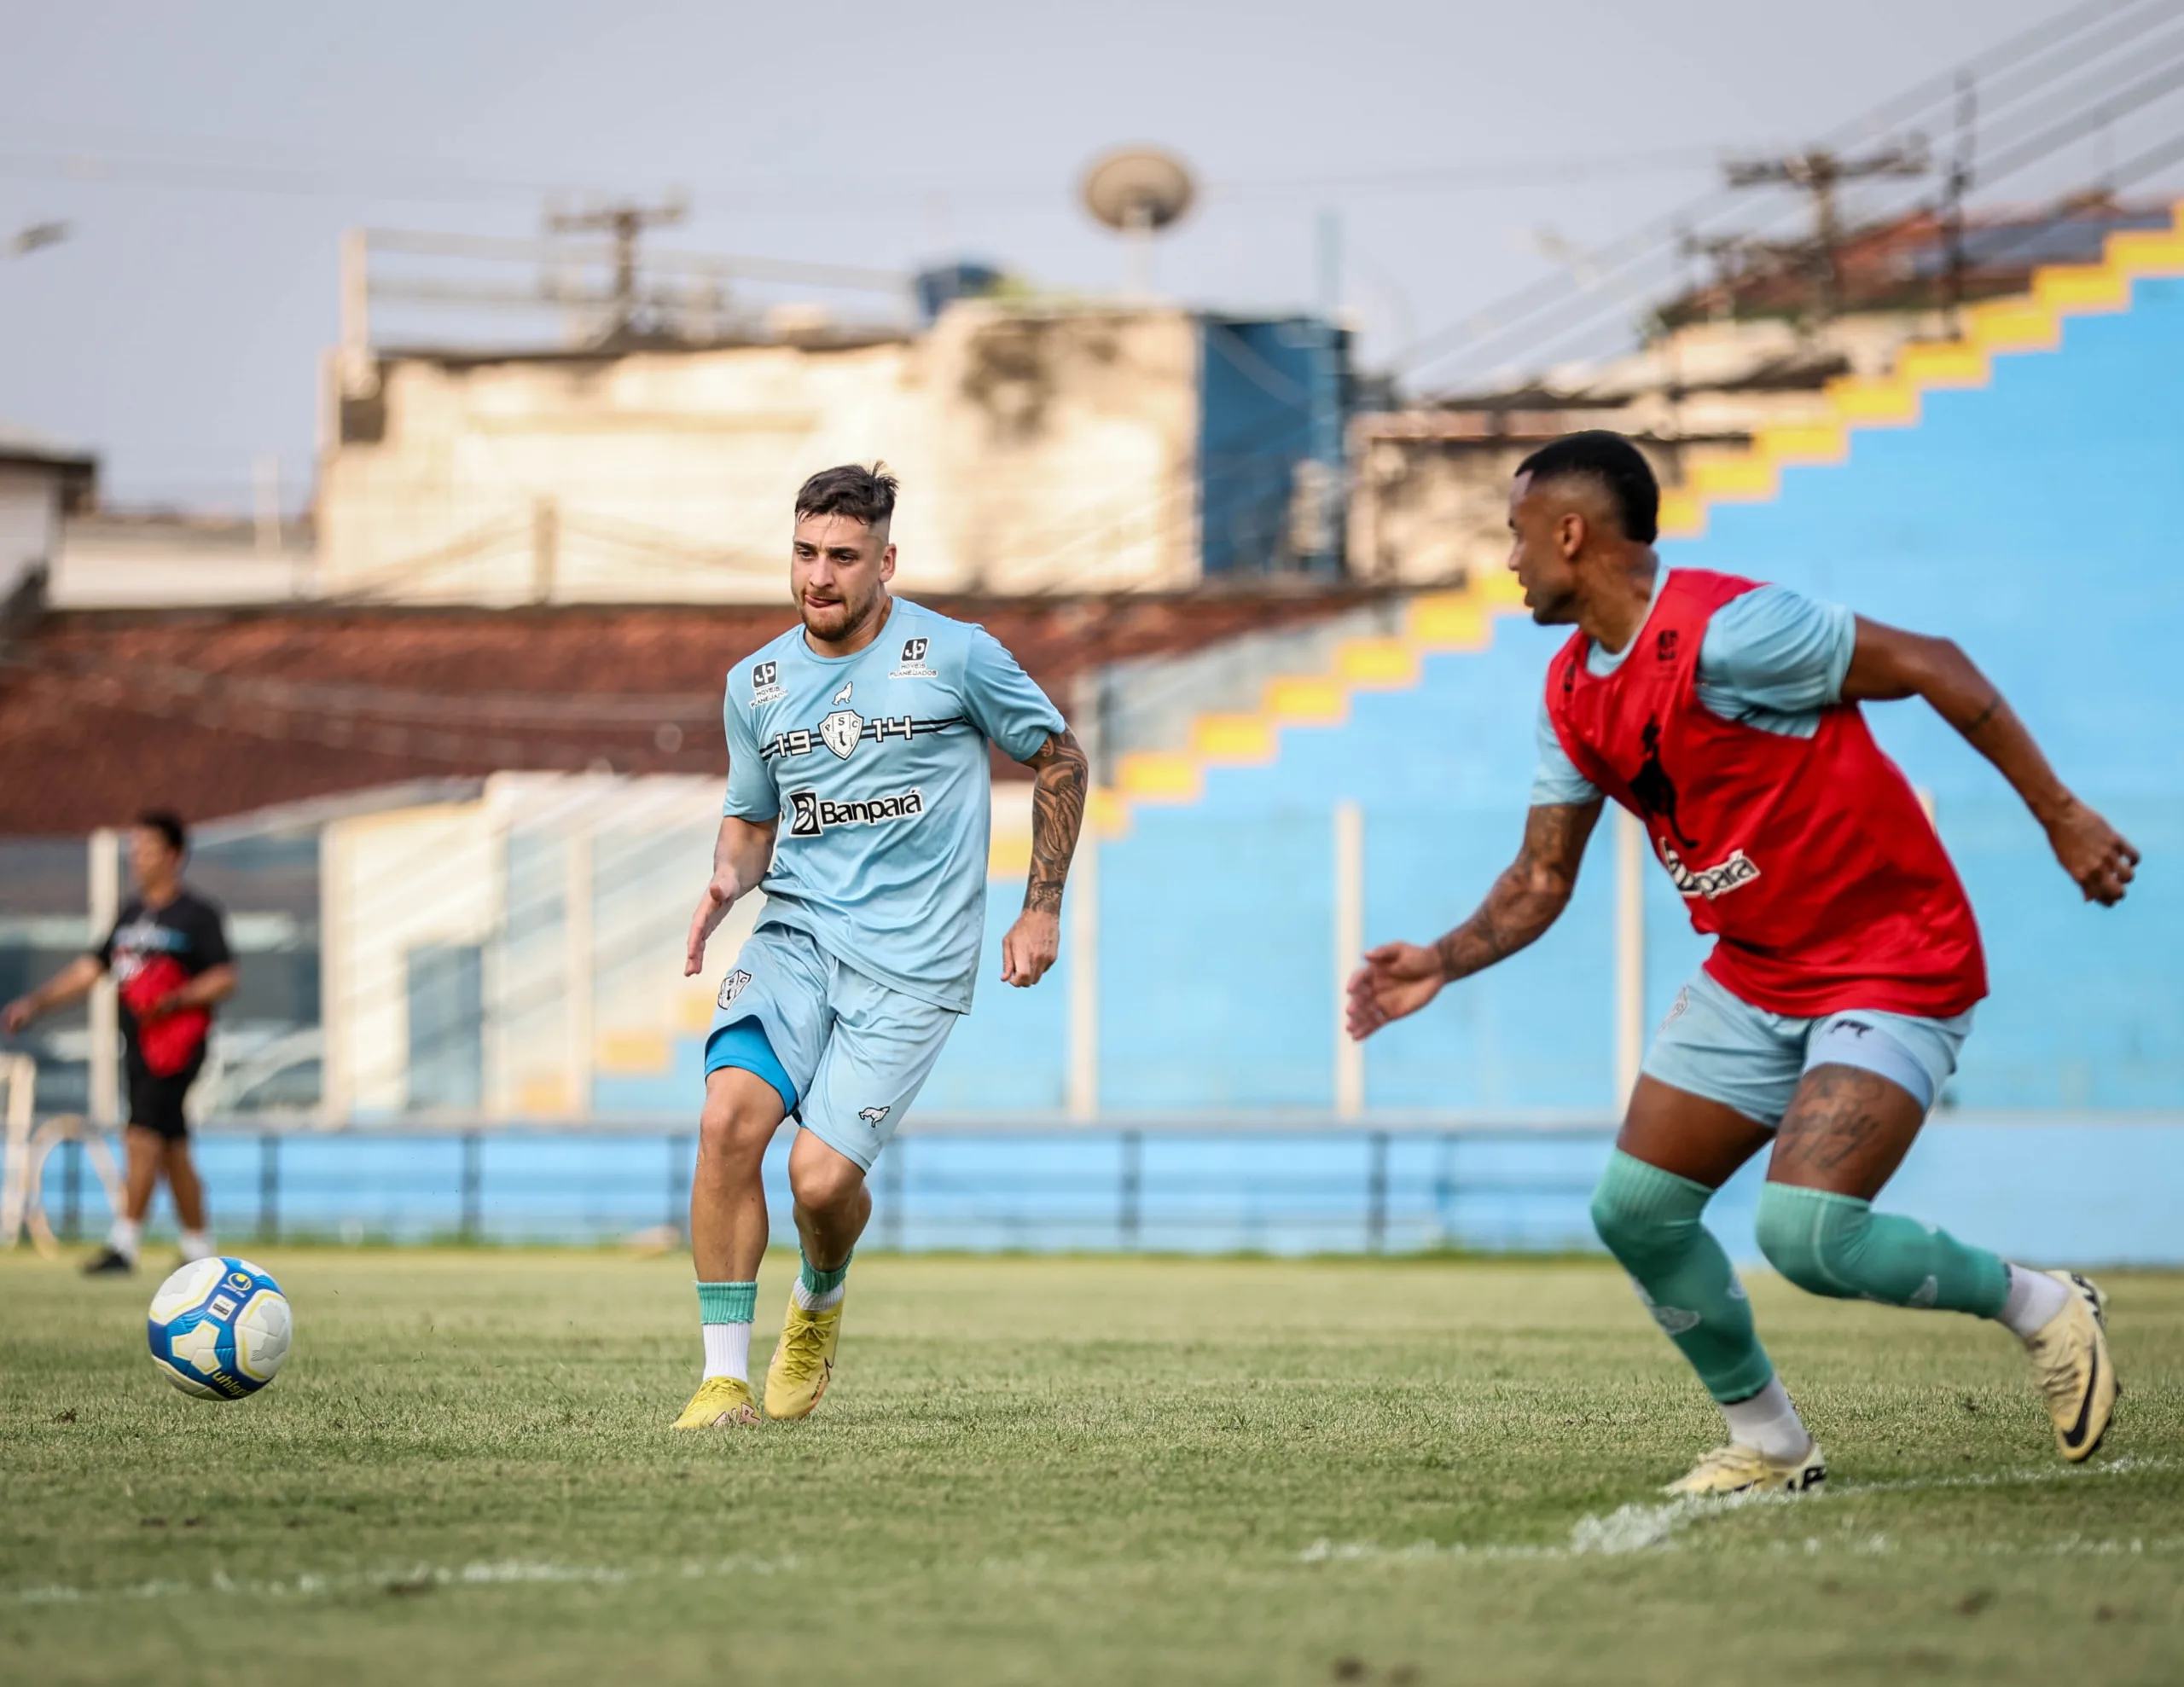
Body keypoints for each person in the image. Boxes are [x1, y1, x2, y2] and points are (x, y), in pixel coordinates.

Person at [1346, 431, 2137, 1496]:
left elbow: (1933, 663)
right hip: (1756, 970)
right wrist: (1435, 961)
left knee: (1806, 1233)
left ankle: (2044, 1307)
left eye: (1517, 534)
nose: (1510, 560)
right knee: (1635, 1211)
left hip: (1889, 959)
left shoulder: (1735, 631)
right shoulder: (1572, 692)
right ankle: (1769, 1445)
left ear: (1570, 533)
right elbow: (1540, 879)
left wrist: (2061, 816)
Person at [674, 463, 1087, 1429]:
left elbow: (1057, 755)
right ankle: (722, 1379)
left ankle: (819, 1294)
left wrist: (1041, 907)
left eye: (843, 558)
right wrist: (727, 879)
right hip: (795, 937)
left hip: (913, 964)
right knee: (727, 1120)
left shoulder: (959, 656)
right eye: (806, 552)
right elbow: (750, 818)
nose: (819, 576)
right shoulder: (756, 683)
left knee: (817, 1180)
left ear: (886, 561)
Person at [4, 810, 237, 1275]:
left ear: (175, 856)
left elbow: (224, 976)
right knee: (172, 1145)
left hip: (177, 1045)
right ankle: (199, 1249)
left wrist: (177, 998)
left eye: (148, 849)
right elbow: (92, 969)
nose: (138, 858)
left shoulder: (197, 914)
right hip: (138, 1045)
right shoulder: (131, 915)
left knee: (142, 1135)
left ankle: (124, 1244)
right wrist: (37, 1001)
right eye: (134, 849)